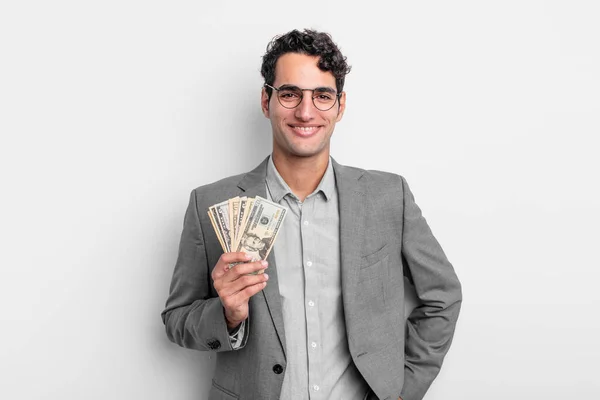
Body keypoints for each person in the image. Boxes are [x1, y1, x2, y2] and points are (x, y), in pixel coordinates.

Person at [161, 29, 462, 400]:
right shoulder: (210, 204)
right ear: (265, 101)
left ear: (340, 105)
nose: (306, 112)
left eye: (322, 96)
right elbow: (177, 319)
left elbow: (443, 296)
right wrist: (228, 314)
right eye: (289, 94)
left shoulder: (388, 196)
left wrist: (404, 389)